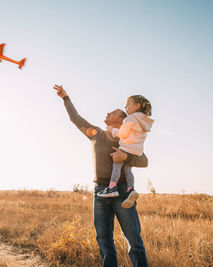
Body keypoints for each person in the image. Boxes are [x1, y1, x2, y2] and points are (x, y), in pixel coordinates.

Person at [53, 84, 148, 267]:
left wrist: (126, 156)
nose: (107, 113)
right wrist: (66, 98)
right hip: (100, 193)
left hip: (122, 193)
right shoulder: (96, 134)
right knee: (104, 243)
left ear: (122, 119)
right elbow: (76, 119)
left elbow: (144, 161)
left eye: (112, 112)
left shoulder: (128, 139)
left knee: (134, 242)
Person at [97, 95, 154, 210]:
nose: (125, 107)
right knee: (128, 169)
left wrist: (112, 130)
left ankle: (112, 187)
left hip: (126, 148)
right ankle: (130, 190)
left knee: (117, 166)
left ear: (137, 106)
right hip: (136, 151)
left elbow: (122, 133)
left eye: (128, 104)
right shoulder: (143, 121)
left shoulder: (130, 118)